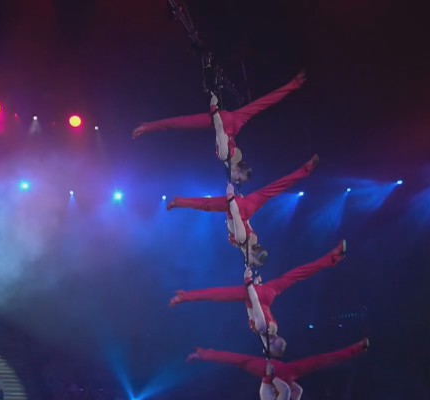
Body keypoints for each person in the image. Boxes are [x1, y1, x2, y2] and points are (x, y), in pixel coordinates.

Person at [133, 71, 306, 183]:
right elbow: (221, 132)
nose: (236, 181)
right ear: (238, 170)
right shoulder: (227, 156)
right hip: (222, 123)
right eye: (239, 179)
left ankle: (293, 84)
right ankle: (146, 127)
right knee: (181, 123)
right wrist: (214, 108)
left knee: (262, 104)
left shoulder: (234, 160)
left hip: (234, 123)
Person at [170, 240, 347, 348]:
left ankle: (332, 258)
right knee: (219, 294)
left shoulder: (270, 331)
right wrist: (250, 283)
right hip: (255, 295)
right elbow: (253, 303)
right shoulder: (263, 329)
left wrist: (256, 285)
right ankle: (185, 297)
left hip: (266, 294)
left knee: (297, 274)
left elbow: (267, 337)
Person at [186, 338, 370, 400]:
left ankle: (358, 348)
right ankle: (202, 354)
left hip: (286, 374)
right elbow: (286, 391)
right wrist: (273, 377)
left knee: (320, 361)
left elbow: (295, 391)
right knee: (238, 360)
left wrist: (285, 380)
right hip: (273, 373)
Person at [167, 155, 319, 266]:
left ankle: (305, 170)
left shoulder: (252, 242)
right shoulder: (242, 239)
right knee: (207, 205)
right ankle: (178, 202)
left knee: (274, 189)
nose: (250, 263)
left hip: (249, 206)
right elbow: (236, 217)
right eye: (252, 262)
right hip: (236, 208)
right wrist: (231, 196)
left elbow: (246, 230)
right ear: (252, 254)